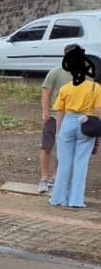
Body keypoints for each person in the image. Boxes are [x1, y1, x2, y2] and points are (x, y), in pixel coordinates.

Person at [49, 45, 101, 208]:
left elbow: (59, 112)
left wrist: (58, 132)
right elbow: (98, 112)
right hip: (86, 123)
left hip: (67, 122)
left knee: (64, 162)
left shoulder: (65, 88)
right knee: (81, 163)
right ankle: (76, 200)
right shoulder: (96, 88)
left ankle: (57, 198)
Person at [37, 45, 75, 193]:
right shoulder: (55, 73)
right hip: (54, 116)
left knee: (64, 149)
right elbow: (46, 94)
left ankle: (56, 177)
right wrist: (45, 113)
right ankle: (44, 178)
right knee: (47, 147)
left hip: (72, 117)